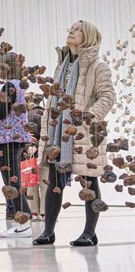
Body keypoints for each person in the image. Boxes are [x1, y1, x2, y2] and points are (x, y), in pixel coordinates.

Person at [34, 21, 116, 247]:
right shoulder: (61, 65)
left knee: (88, 181)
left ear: (87, 36)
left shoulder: (98, 66)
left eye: (77, 29)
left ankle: (90, 233)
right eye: (70, 28)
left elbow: (108, 97)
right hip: (57, 132)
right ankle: (48, 232)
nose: (71, 31)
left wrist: (88, 117)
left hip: (84, 135)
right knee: (54, 180)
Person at [0, 52, 33, 238]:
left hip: (7, 140)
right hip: (17, 139)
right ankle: (21, 222)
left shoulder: (8, 86)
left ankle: (23, 225)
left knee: (11, 182)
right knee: (14, 181)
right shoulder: (19, 86)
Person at [24, 93, 46, 221]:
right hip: (44, 153)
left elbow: (28, 136)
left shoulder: (27, 115)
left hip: (30, 153)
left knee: (31, 184)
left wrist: (29, 145)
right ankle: (44, 212)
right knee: (45, 184)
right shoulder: (43, 113)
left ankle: (34, 212)